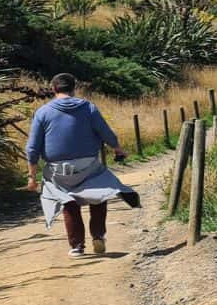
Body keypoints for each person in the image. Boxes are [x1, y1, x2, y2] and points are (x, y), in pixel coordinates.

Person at [25, 73, 140, 258]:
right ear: (74, 88)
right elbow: (105, 132)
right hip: (88, 165)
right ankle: (98, 235)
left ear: (53, 89)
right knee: (99, 194)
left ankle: (77, 246)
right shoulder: (88, 108)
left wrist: (32, 176)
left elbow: (32, 147)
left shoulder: (43, 112)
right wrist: (118, 149)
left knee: (68, 202)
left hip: (58, 169)